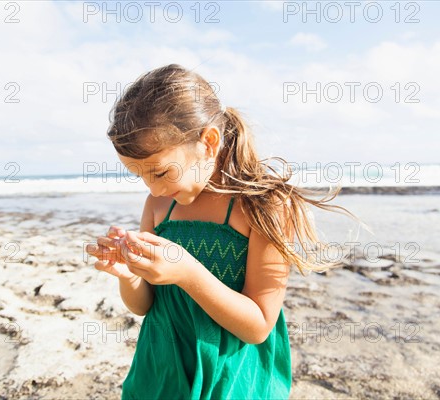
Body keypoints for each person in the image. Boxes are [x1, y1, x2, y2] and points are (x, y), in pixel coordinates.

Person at [85, 64, 352, 399]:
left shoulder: (262, 206)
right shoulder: (158, 206)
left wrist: (187, 273)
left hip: (230, 378)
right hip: (162, 372)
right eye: (140, 176)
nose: (152, 190)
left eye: (161, 172)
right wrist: (128, 275)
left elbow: (258, 325)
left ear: (208, 141)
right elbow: (144, 305)